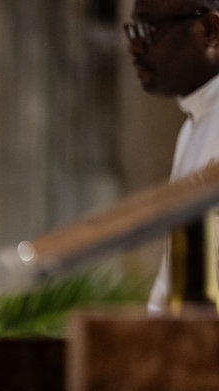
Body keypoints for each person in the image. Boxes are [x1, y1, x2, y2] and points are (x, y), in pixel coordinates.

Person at [126, 0, 219, 311]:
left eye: (149, 29)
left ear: (210, 30)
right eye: (133, 30)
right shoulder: (191, 130)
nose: (134, 47)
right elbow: (173, 282)